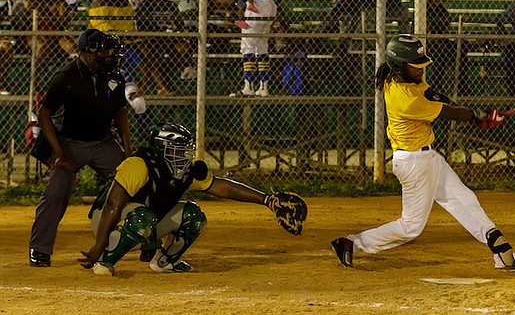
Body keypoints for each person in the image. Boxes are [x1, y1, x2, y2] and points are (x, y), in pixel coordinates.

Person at [330, 34, 515, 272]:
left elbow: (432, 95)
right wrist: (477, 117)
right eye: (415, 65)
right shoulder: (405, 99)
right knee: (411, 227)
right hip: (414, 163)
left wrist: (475, 113)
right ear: (399, 65)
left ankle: (503, 254)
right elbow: (445, 112)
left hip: (428, 158)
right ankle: (351, 243)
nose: (421, 69)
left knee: (465, 200)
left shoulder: (397, 78)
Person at [78, 123, 307, 275]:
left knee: (193, 215)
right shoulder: (139, 164)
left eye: (185, 151)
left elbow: (223, 188)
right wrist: (99, 244)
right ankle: (106, 260)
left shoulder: (185, 171)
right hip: (106, 222)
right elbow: (112, 205)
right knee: (142, 217)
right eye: (178, 151)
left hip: (143, 220)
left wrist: (267, 200)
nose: (184, 156)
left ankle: (165, 262)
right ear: (162, 150)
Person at [29, 29, 131, 267]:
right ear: (86, 54)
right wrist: (60, 153)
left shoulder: (113, 76)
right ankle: (39, 249)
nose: (108, 55)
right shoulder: (66, 76)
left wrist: (127, 151)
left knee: (135, 183)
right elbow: (45, 115)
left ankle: (148, 243)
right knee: (56, 193)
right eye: (102, 51)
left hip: (104, 141)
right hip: (69, 143)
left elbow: (120, 113)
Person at [230, 0, 277, 97]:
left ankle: (248, 86)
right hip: (269, 4)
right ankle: (263, 87)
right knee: (262, 46)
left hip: (257, 4)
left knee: (248, 45)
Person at [426, 0, 472, 96]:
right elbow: (427, 31)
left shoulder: (441, 9)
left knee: (460, 51)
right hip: (427, 43)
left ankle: (462, 86)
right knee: (440, 53)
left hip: (442, 40)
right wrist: (438, 42)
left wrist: (442, 39)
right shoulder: (424, 8)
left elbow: (446, 28)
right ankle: (436, 85)